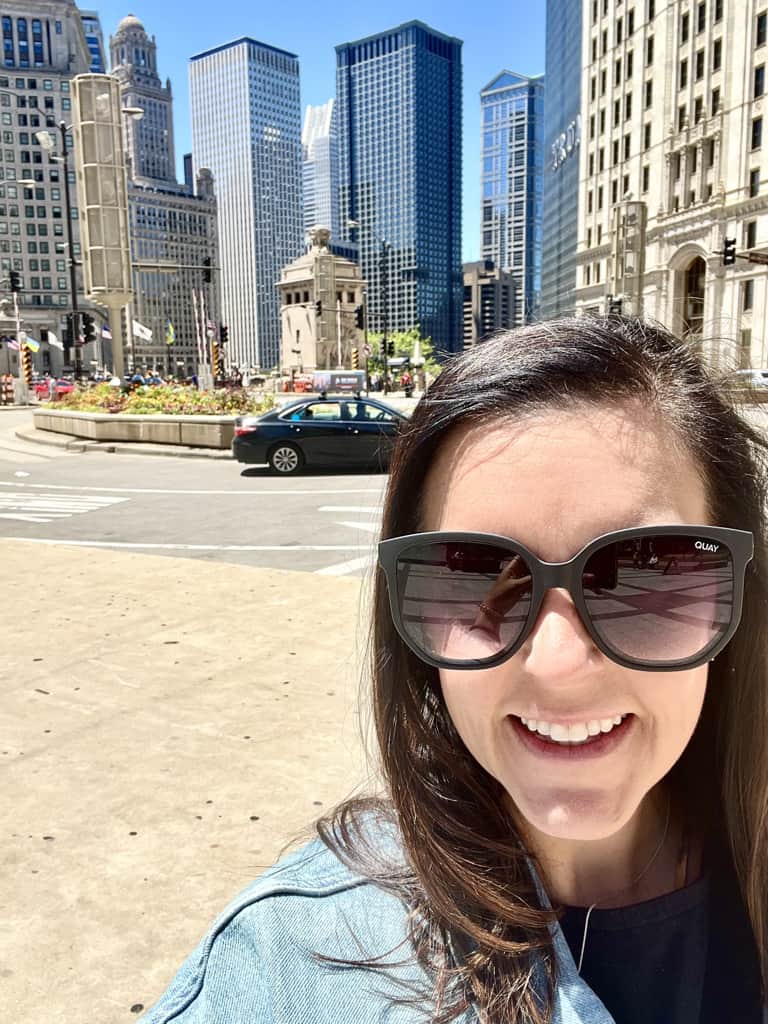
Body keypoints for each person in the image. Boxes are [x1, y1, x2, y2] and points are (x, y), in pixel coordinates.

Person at [140, 316, 768, 1024]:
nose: (558, 665)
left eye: (648, 569)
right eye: (473, 576)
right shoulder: (296, 957)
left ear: (742, 597)